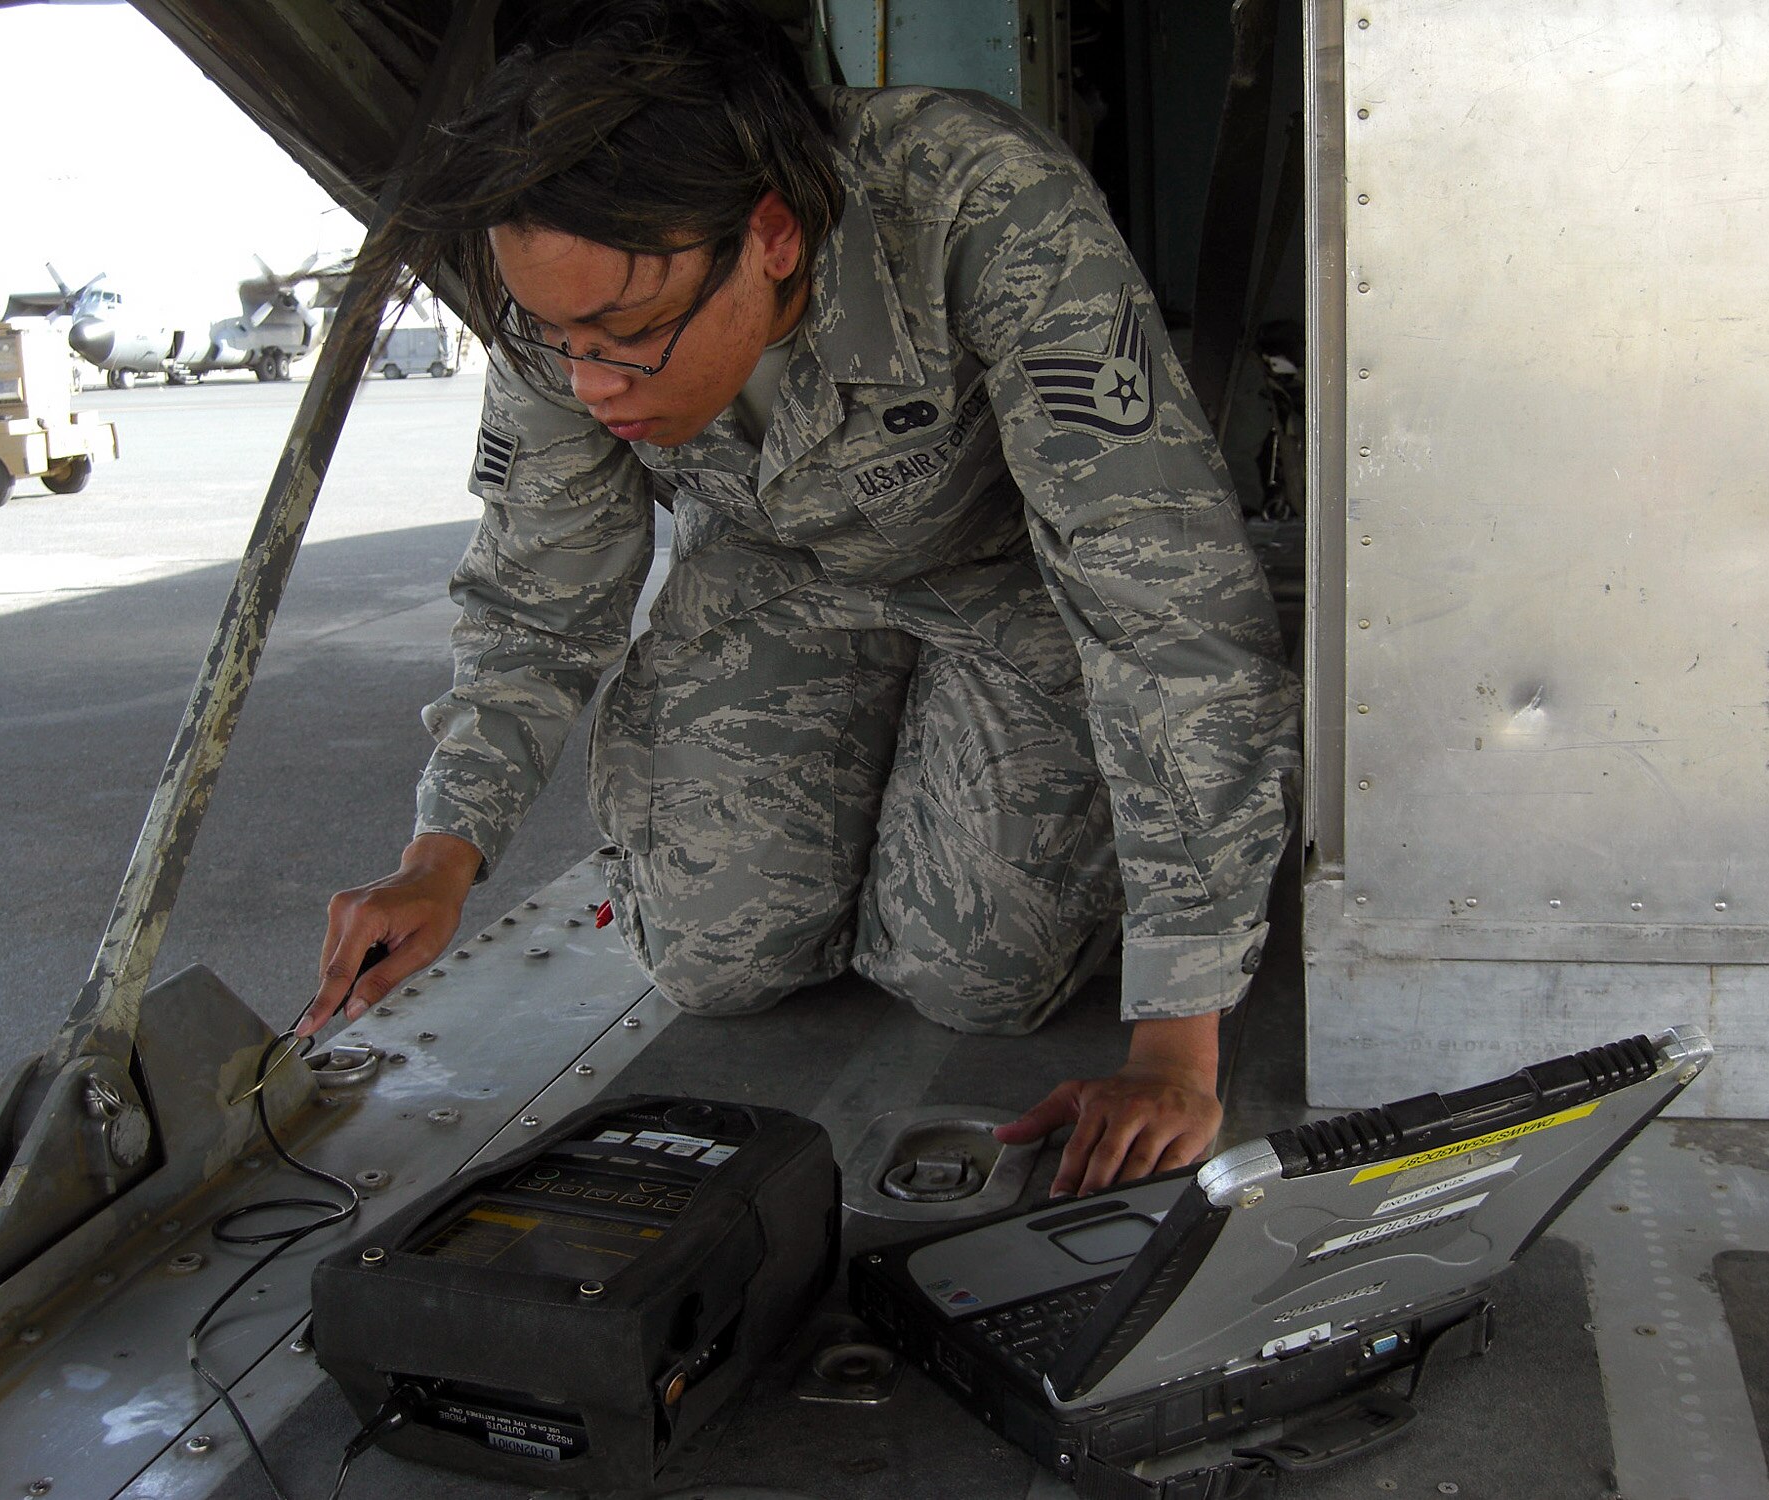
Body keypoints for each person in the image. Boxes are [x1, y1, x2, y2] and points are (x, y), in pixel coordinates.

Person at [301, 0, 1299, 1196]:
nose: (590, 381)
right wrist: (441, 857)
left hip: (1010, 583)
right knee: (715, 962)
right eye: (557, 337)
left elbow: (1158, 598)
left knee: (968, 979)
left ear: (770, 236)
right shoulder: (567, 291)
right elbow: (536, 599)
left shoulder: (978, 201)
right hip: (773, 584)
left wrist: (1178, 1037)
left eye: (626, 333)